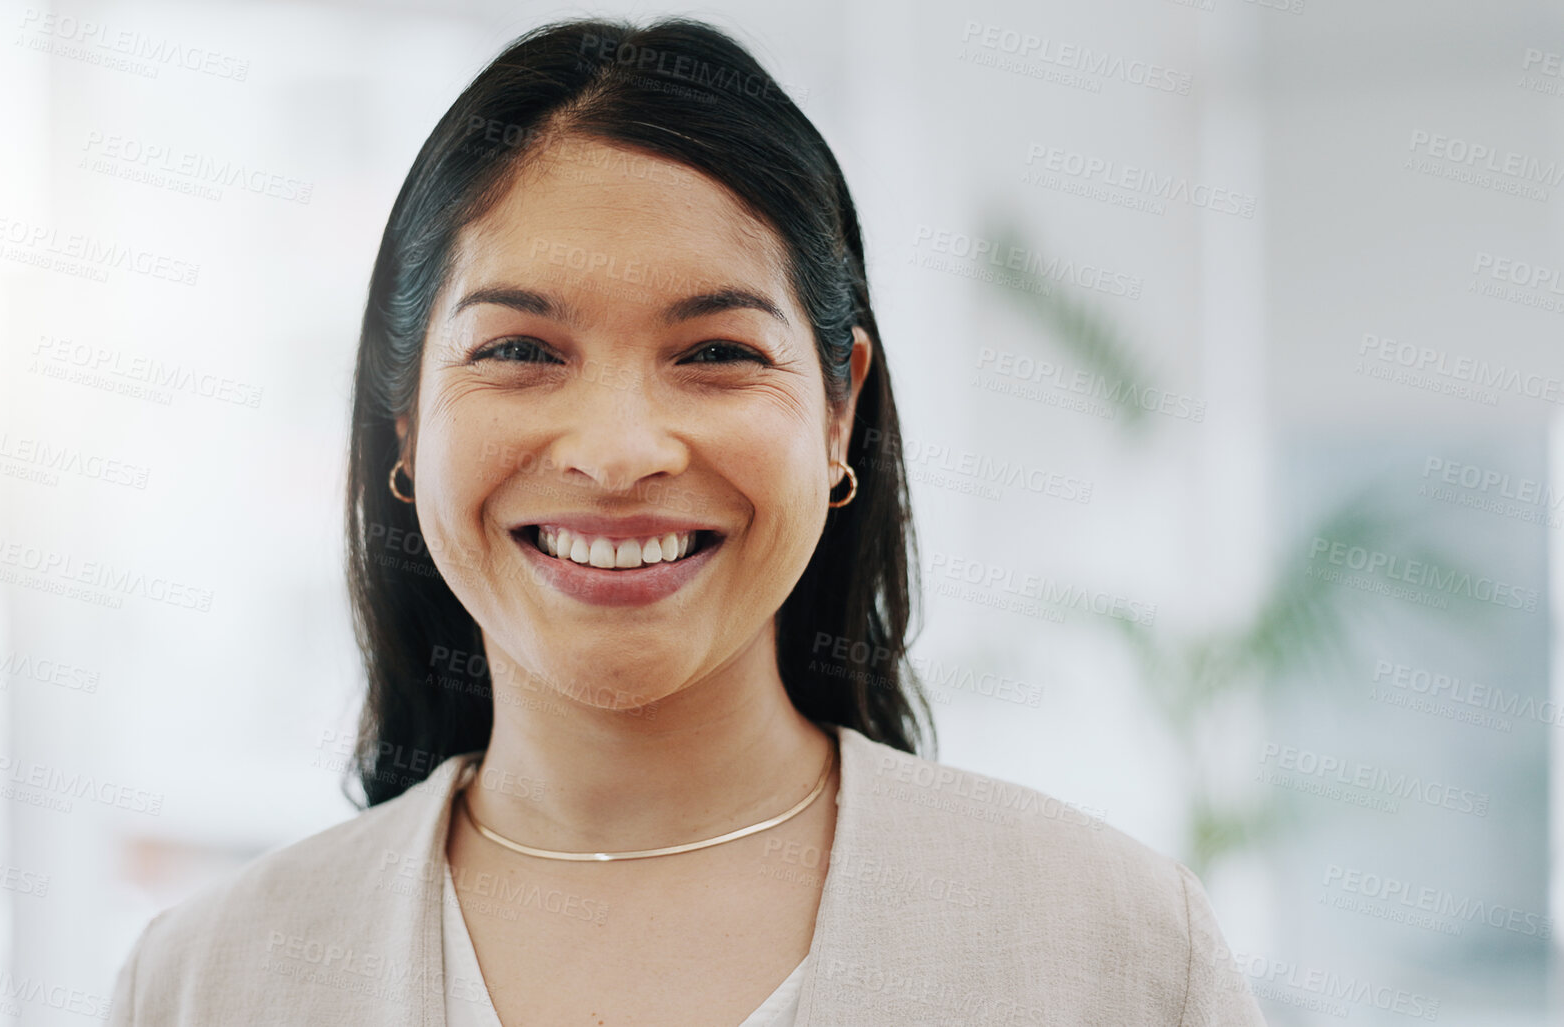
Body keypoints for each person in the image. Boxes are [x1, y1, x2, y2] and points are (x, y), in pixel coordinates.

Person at [107, 17, 1267, 1026]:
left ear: (837, 409)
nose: (617, 451)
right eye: (519, 350)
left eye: (716, 353)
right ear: (405, 418)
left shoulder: (1112, 951)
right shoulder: (210, 982)